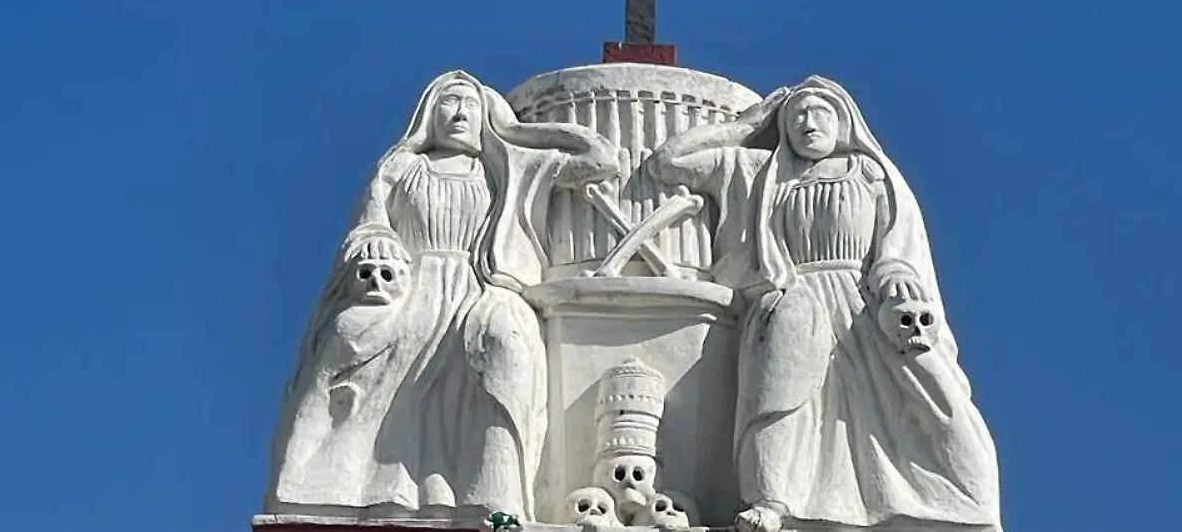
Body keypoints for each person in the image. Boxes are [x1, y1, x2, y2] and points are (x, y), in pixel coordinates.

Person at [647, 76, 1001, 531]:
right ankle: (774, 501)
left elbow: (897, 246)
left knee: (926, 395)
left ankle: (955, 500)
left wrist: (895, 278)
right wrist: (747, 126)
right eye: (795, 116)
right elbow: (668, 163)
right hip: (795, 302)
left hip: (861, 307)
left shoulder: (871, 174)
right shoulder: (760, 172)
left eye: (819, 113)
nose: (807, 123)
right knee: (780, 400)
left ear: (843, 121)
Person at [267, 70, 618, 519]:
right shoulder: (400, 168)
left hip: (481, 289)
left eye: (471, 105)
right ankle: (356, 490)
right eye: (449, 103)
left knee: (505, 345)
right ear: (428, 115)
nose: (459, 114)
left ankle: (489, 494)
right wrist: (378, 244)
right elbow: (368, 228)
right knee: (350, 336)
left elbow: (599, 160)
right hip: (413, 288)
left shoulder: (508, 168)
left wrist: (517, 131)